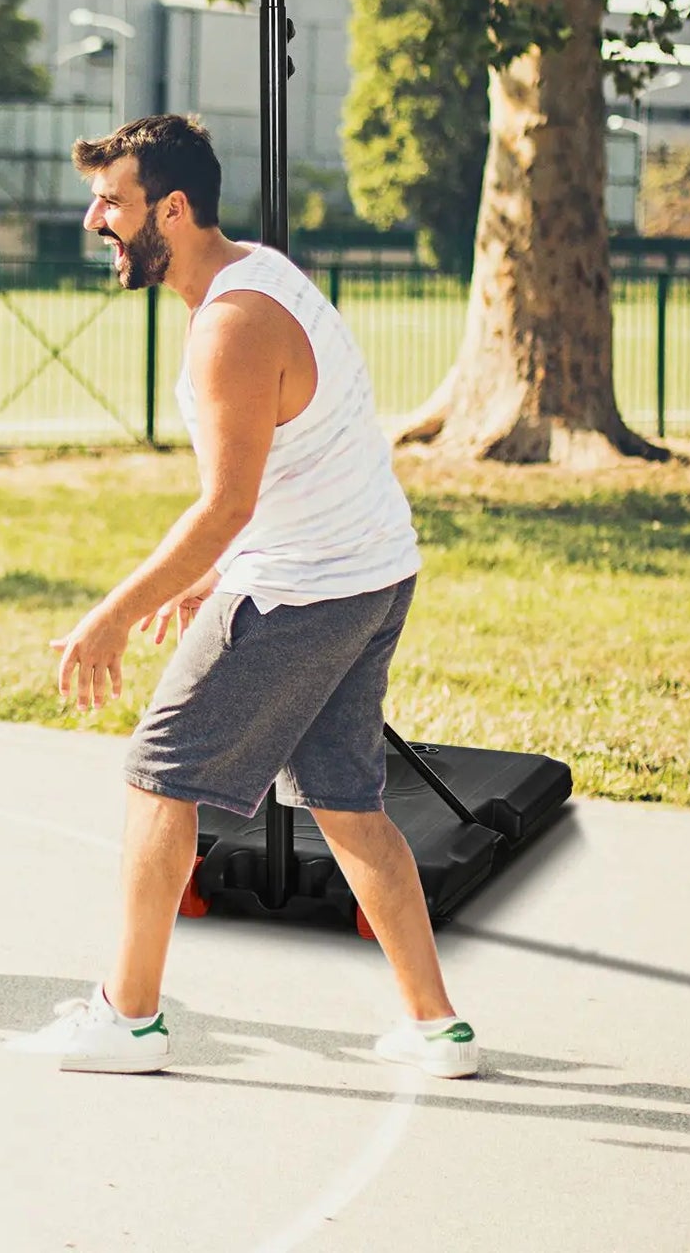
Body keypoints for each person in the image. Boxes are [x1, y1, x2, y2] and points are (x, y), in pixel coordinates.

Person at [48, 115, 477, 1078]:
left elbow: (225, 503)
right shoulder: (260, 275)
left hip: (305, 591)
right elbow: (289, 472)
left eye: (111, 202)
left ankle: (130, 1019)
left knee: (160, 775)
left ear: (173, 207)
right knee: (344, 800)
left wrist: (111, 612)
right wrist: (205, 576)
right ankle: (435, 1027)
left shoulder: (233, 324)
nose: (93, 221)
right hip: (370, 569)